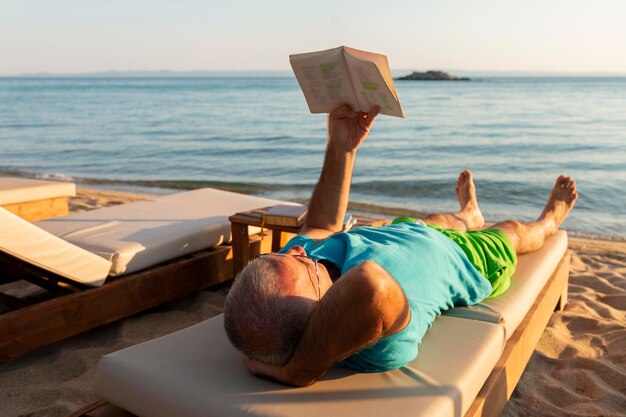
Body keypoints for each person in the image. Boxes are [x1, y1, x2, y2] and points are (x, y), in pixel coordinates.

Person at [223, 104, 578, 387]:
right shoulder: (373, 341)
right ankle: (549, 219)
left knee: (443, 218)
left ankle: (468, 212)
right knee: (512, 231)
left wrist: (341, 147)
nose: (298, 251)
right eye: (301, 264)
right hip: (465, 258)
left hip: (408, 231)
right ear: (318, 314)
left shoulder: (297, 265)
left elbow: (320, 224)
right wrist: (299, 371)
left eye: (282, 254)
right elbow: (370, 284)